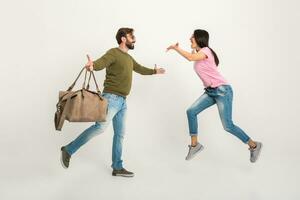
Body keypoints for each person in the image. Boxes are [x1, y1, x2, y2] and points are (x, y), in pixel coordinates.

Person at [60, 28, 165, 177]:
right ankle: (68, 150)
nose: (134, 39)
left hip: (122, 102)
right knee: (100, 128)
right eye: (131, 36)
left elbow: (140, 69)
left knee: (120, 134)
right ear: (123, 39)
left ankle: (117, 167)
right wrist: (92, 65)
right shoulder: (113, 53)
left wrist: (155, 71)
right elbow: (101, 63)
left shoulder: (129, 59)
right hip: (111, 98)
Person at [166, 29, 262, 163]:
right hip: (211, 91)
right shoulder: (201, 53)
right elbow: (193, 57)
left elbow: (190, 58)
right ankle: (195, 145)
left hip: (222, 91)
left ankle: (254, 145)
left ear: (199, 39)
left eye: (192, 37)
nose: (189, 39)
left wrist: (177, 48)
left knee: (228, 126)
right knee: (191, 111)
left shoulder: (206, 51)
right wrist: (192, 51)